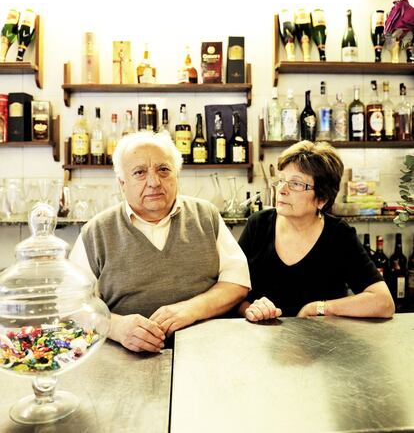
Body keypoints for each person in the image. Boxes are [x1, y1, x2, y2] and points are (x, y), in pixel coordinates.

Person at [69, 132, 250, 352]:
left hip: (210, 351)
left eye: (163, 170)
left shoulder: (206, 216)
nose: (154, 182)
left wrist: (191, 309)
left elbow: (237, 283)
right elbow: (70, 305)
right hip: (127, 357)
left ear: (177, 175)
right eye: (139, 173)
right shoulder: (96, 231)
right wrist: (115, 327)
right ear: (122, 183)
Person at [238, 140, 395, 322]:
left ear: (322, 199)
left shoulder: (338, 235)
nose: (281, 190)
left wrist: (318, 308)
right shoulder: (258, 225)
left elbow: (384, 302)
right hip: (263, 343)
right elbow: (232, 293)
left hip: (321, 345)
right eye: (281, 180)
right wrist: (251, 310)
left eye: (295, 184)